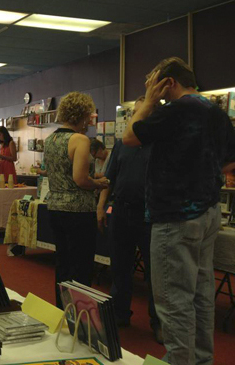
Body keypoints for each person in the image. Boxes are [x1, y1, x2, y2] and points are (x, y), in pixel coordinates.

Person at [123, 57, 235, 365]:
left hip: (174, 216)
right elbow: (229, 161)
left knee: (173, 299)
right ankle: (201, 360)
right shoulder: (217, 112)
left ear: (168, 83)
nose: (153, 92)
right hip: (209, 213)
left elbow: (130, 136)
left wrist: (147, 101)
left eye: (155, 84)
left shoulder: (175, 110)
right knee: (200, 295)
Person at [97, 96, 162, 344]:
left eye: (141, 111)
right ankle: (119, 314)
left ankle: (159, 322)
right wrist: (101, 206)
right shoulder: (123, 144)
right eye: (133, 112)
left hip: (151, 214)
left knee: (154, 273)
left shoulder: (161, 141)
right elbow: (109, 178)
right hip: (121, 211)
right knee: (120, 266)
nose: (135, 116)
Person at [43, 92, 109, 309]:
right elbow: (80, 179)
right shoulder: (79, 139)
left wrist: (93, 178)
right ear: (83, 115)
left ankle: (62, 310)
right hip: (79, 211)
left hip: (55, 208)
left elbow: (61, 173)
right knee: (81, 267)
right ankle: (80, 317)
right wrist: (99, 184)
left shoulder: (50, 139)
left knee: (63, 264)